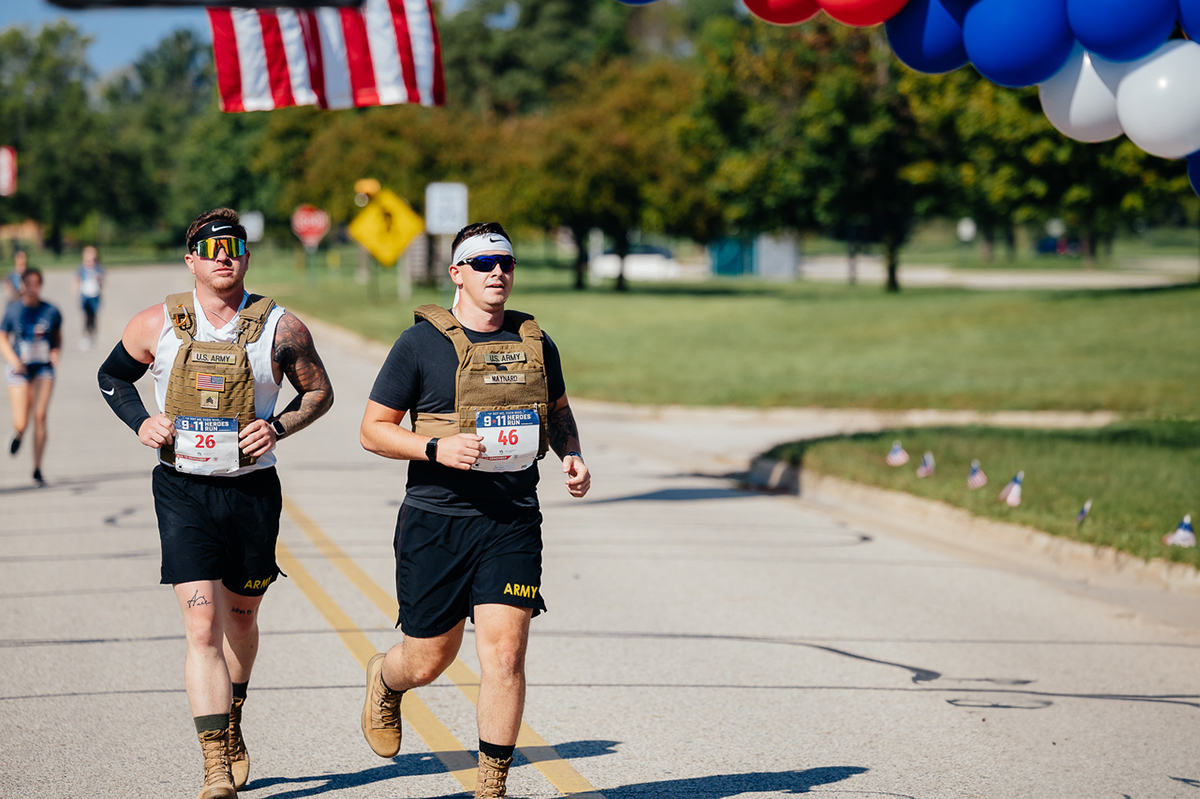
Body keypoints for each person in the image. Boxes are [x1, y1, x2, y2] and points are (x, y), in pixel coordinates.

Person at [97, 208, 334, 799]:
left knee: (241, 619)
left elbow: (319, 392)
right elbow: (111, 377)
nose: (222, 255)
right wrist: (141, 422)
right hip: (183, 490)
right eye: (210, 248)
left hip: (251, 491)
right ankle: (214, 767)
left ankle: (233, 715)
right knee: (202, 625)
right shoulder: (157, 323)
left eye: (233, 246)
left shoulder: (281, 327)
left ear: (246, 257)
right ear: (191, 261)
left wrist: (276, 427)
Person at [359, 222, 590, 798]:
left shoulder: (536, 344)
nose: (497, 273)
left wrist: (572, 454)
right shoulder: (419, 345)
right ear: (456, 273)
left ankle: (491, 787)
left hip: (512, 520)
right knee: (428, 660)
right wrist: (434, 448)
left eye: (506, 262)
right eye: (484, 263)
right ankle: (386, 679)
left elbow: (558, 410)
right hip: (436, 520)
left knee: (506, 656)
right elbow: (373, 430)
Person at [1, 267, 62, 486]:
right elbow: (2, 337)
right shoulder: (13, 310)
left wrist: (55, 352)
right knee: (22, 421)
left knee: (40, 415)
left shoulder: (51, 311)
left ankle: (37, 468)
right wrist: (14, 360)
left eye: (36, 283)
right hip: (20, 369)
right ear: (22, 285)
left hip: (43, 368)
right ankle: (18, 434)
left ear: (40, 285)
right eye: (28, 284)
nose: (32, 288)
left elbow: (57, 337)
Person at [75, 245, 104, 350]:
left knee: (94, 317)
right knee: (86, 317)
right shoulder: (81, 268)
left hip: (94, 295)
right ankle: (85, 336)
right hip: (85, 295)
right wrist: (77, 292)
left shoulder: (98, 268)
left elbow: (102, 282)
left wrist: (99, 281)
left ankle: (93, 335)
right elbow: (77, 279)